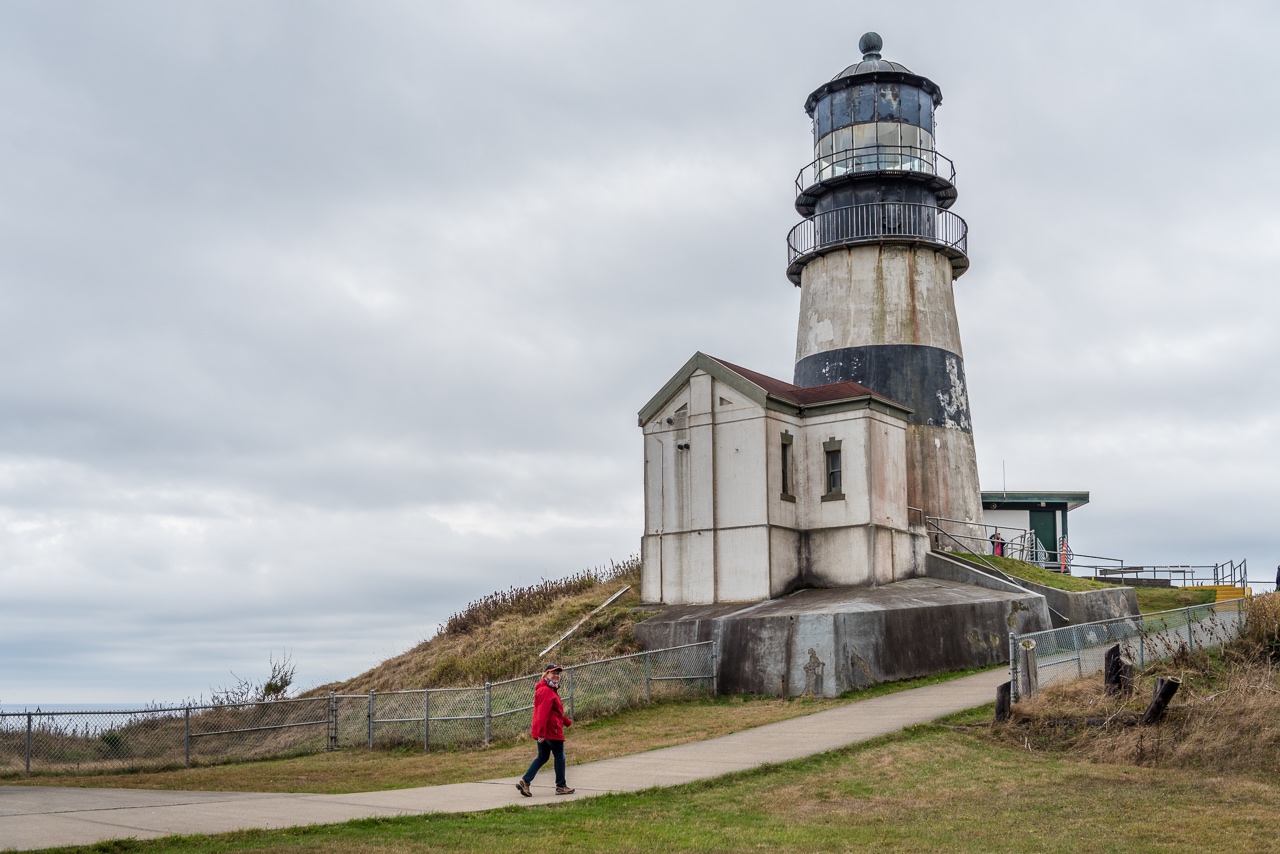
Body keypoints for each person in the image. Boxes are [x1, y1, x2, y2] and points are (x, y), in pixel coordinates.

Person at [516, 663, 574, 797]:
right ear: (546, 674)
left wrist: (566, 721)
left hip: (545, 730)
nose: (556, 676)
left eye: (558, 673)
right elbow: (542, 713)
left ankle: (525, 781)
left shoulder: (548, 689)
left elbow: (553, 712)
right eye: (553, 673)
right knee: (560, 756)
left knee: (543, 756)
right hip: (550, 731)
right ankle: (561, 785)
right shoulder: (546, 691)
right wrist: (541, 733)